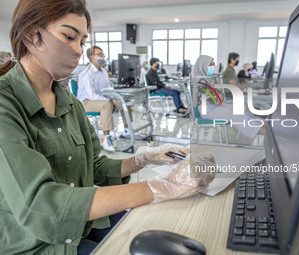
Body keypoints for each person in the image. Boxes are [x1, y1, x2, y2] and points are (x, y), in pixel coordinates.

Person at [0, 1, 216, 254]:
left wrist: (143, 159)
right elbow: (42, 205)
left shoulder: (69, 102)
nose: (78, 50)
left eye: (81, 42)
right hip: (37, 243)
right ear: (30, 35)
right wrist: (164, 187)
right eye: (69, 36)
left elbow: (94, 166)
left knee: (159, 228)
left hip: (82, 225)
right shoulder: (6, 105)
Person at [192, 55, 266, 139]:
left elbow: (218, 95)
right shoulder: (199, 81)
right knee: (235, 115)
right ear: (203, 66)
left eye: (213, 64)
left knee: (241, 112)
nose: (212, 67)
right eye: (210, 65)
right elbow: (208, 98)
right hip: (207, 109)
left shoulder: (208, 79)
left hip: (215, 106)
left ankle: (268, 126)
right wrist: (217, 96)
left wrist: (218, 96)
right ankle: (265, 132)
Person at [77, 46, 133, 151]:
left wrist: (114, 98)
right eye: (99, 54)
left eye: (103, 54)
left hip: (99, 99)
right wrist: (108, 100)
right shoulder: (86, 73)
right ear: (91, 57)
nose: (102, 57)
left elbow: (108, 89)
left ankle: (127, 129)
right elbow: (91, 95)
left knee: (123, 101)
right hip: (85, 102)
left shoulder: (103, 72)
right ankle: (106, 139)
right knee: (106, 105)